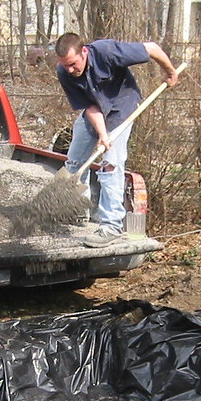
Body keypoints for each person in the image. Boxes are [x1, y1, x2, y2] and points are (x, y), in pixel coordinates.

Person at [55, 33, 179, 247]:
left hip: (122, 108)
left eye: (73, 64)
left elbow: (151, 48)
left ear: (84, 52)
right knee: (74, 163)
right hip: (95, 112)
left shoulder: (107, 52)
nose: (70, 70)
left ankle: (111, 226)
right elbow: (90, 106)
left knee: (110, 165)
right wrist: (102, 134)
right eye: (65, 66)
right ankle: (78, 213)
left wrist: (170, 72)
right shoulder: (64, 72)